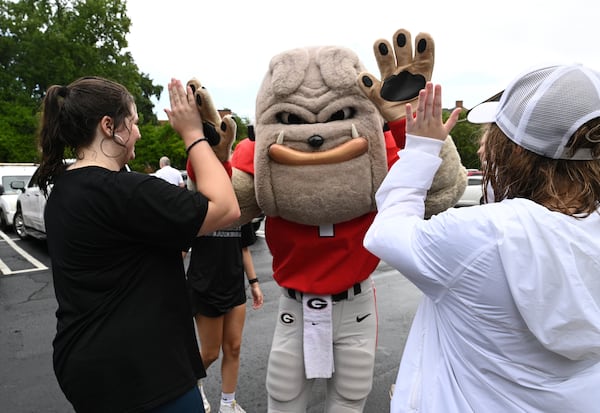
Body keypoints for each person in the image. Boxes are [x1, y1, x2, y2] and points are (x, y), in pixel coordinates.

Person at [363, 64, 600, 412]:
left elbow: (386, 232)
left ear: (516, 150)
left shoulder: (482, 235)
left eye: (493, 133)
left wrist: (421, 149)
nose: (484, 147)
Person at [39, 75, 240, 413]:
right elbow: (226, 207)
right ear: (108, 126)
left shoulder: (63, 191)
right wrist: (193, 134)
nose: (138, 132)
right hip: (146, 375)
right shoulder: (127, 191)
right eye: (132, 122)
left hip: (86, 366)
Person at [186, 155, 264, 413]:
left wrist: (254, 283)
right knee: (209, 353)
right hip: (204, 287)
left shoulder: (237, 207)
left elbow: (243, 249)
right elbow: (180, 250)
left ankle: (228, 403)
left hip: (234, 286)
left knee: (234, 347)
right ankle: (191, 385)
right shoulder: (197, 207)